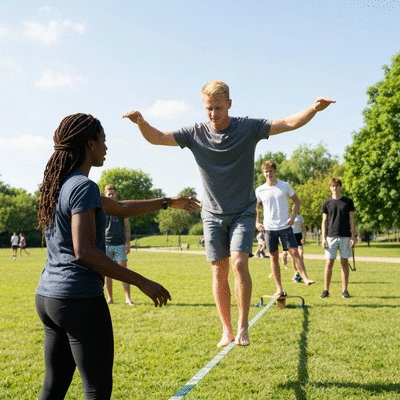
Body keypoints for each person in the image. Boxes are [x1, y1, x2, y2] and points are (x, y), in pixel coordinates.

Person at [123, 80, 335, 347]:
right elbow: (158, 138)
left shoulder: (247, 128)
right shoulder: (195, 133)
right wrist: (141, 122)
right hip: (211, 214)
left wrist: (313, 109)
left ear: (230, 105)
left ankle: (243, 324)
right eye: (209, 108)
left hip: (243, 212)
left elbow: (287, 123)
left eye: (219, 108)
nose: (213, 114)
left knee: (238, 263)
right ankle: (226, 329)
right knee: (218, 271)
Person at [35, 113, 200, 399]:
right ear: (89, 144)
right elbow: (84, 251)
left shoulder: (60, 185)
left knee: (54, 385)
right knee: (97, 389)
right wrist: (141, 281)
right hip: (79, 300)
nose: (106, 147)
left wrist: (166, 202)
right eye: (103, 141)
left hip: (49, 299)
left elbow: (120, 207)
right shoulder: (83, 186)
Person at [255, 160, 315, 296]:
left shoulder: (285, 186)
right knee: (273, 257)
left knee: (294, 252)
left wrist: (293, 217)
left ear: (275, 172)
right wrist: (257, 222)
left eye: (271, 171)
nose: (269, 173)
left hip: (285, 226)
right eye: (266, 171)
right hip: (269, 228)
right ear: (263, 173)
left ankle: (305, 277)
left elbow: (297, 202)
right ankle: (279, 288)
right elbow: (255, 207)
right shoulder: (260, 190)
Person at [321, 178, 356, 299]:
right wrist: (323, 238)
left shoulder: (348, 202)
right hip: (331, 236)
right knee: (329, 262)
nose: (335, 188)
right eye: (332, 186)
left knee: (344, 262)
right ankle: (326, 290)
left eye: (337, 186)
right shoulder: (326, 203)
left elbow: (352, 220)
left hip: (345, 236)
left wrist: (353, 236)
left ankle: (345, 290)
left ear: (340, 187)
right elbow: (324, 221)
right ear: (330, 187)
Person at [103, 184, 135, 306]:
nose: (111, 195)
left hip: (120, 244)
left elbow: (127, 227)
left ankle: (128, 298)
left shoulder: (121, 208)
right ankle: (110, 298)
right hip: (105, 244)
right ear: (105, 194)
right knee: (107, 273)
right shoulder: (102, 209)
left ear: (116, 194)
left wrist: (127, 243)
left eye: (112, 193)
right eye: (108, 193)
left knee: (123, 272)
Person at [290, 211, 307, 283]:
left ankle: (300, 273)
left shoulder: (300, 217)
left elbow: (303, 228)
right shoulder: (288, 216)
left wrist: (304, 237)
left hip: (298, 236)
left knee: (300, 255)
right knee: (293, 257)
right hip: (291, 236)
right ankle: (296, 273)